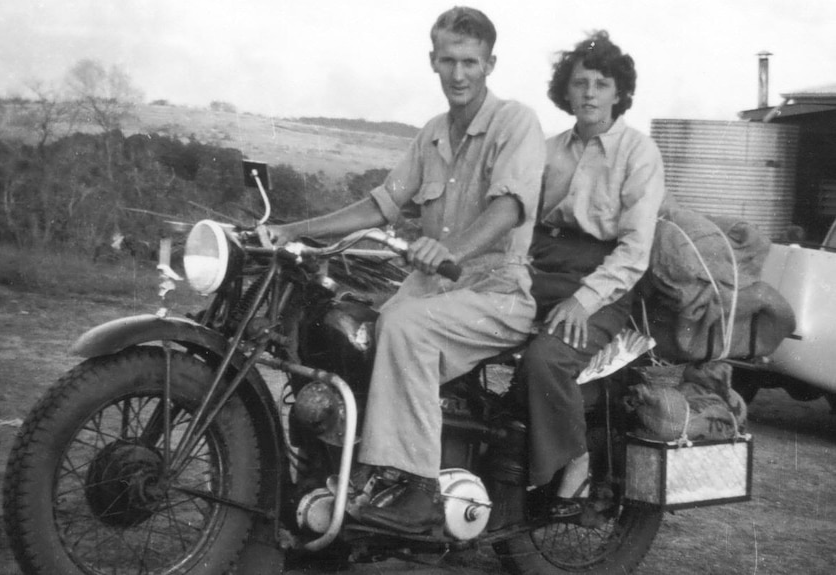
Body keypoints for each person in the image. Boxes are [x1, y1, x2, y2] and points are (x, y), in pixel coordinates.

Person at [261, 7, 545, 533]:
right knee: (353, 336)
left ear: (490, 64)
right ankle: (347, 480)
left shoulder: (516, 123)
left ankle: (418, 492)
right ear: (431, 61)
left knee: (402, 329)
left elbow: (509, 208)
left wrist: (450, 249)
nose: (458, 74)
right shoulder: (433, 133)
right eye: (447, 61)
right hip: (434, 290)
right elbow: (381, 203)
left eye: (470, 62)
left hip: (497, 293)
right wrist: (297, 229)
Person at [521, 30, 670, 516]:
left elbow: (634, 250)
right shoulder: (545, 149)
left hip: (603, 280)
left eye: (601, 84)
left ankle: (577, 462)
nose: (589, 93)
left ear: (619, 93)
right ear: (565, 91)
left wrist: (582, 301)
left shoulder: (638, 153)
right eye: (580, 82)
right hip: (539, 266)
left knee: (546, 358)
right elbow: (520, 221)